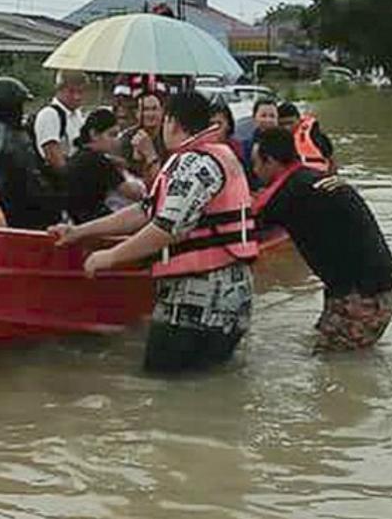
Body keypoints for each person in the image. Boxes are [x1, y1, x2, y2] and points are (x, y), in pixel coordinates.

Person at [51, 92, 257, 374]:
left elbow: (167, 227)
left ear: (171, 122)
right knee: (204, 386)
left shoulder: (193, 163)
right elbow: (145, 211)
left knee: (162, 386)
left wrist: (110, 257)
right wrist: (79, 232)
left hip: (198, 298)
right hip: (228, 296)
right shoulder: (217, 154)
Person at [250, 127, 392, 352]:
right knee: (323, 347)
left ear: (271, 161)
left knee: (336, 366)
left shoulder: (289, 193)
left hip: (364, 294)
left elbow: (240, 227)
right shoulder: (308, 179)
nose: (253, 171)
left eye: (256, 163)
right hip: (371, 286)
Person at [0, 76, 66, 230]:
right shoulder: (13, 141)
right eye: (20, 106)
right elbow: (28, 185)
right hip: (18, 217)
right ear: (10, 108)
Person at [66, 108, 146, 224]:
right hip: (93, 223)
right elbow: (135, 194)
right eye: (112, 135)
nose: (116, 141)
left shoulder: (79, 155)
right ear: (94, 134)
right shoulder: (98, 161)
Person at [34, 70, 87, 173]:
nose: (77, 97)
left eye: (80, 92)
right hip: (58, 180)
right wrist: (72, 179)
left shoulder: (78, 116)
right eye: (71, 91)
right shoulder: (49, 115)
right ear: (59, 90)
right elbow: (52, 155)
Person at [121, 90, 168, 186]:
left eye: (154, 109)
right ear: (137, 113)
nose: (150, 114)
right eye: (146, 109)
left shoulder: (170, 136)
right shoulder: (126, 138)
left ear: (162, 111)